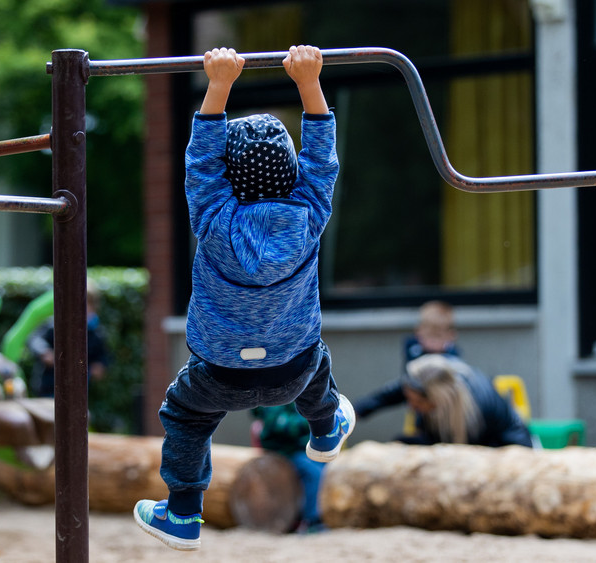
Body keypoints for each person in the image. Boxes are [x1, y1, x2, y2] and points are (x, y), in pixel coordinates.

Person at [133, 45, 354, 552]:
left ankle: (184, 515)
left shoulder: (210, 216)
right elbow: (323, 158)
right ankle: (324, 430)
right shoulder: (309, 213)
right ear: (292, 171)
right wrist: (308, 83)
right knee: (315, 360)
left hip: (218, 375)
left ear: (227, 178)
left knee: (185, 416)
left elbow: (201, 159)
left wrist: (218, 84)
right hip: (292, 371)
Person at [354, 353, 532, 448]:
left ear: (436, 400)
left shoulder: (474, 408)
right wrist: (355, 411)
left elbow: (459, 453)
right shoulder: (423, 380)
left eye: (417, 403)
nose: (411, 406)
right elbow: (386, 396)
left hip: (503, 446)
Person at [250, 404, 327, 533]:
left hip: (300, 449)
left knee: (322, 467)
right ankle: (312, 521)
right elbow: (278, 425)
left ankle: (313, 516)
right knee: (313, 472)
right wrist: (311, 421)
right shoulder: (274, 398)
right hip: (282, 451)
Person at [26, 284, 109, 398]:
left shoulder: (96, 332)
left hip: (79, 388)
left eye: (87, 304)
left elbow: (102, 354)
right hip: (50, 384)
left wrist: (100, 365)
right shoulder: (56, 325)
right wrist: (44, 351)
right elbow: (35, 339)